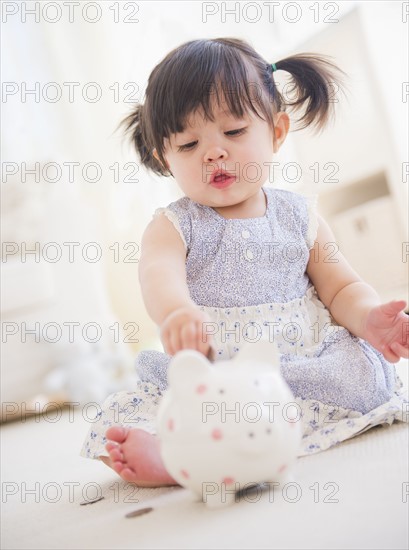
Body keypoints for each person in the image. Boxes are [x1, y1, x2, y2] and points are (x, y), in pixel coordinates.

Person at [80, 37, 408, 487]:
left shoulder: (299, 216)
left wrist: (370, 318)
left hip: (300, 360)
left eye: (233, 133)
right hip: (221, 369)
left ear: (276, 132)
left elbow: (340, 288)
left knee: (363, 376)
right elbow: (159, 275)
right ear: (164, 158)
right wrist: (177, 312)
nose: (214, 152)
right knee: (155, 406)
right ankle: (176, 453)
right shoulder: (175, 225)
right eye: (190, 143)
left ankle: (217, 444)